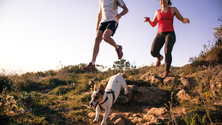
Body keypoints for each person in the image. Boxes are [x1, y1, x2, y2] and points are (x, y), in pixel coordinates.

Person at [144, 0, 189, 78]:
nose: (162, 1)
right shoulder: (157, 11)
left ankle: (166, 72)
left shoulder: (173, 9)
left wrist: (185, 21)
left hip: (170, 33)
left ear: (168, 0)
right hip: (159, 34)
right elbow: (154, 24)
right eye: (160, 0)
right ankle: (159, 57)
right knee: (153, 52)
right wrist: (149, 21)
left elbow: (181, 19)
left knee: (167, 51)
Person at [82, 0, 128, 71]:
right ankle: (92, 63)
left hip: (113, 20)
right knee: (97, 39)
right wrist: (97, 24)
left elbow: (126, 9)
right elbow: (100, 13)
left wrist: (120, 14)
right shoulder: (101, 1)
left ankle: (117, 47)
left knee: (105, 37)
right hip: (104, 22)